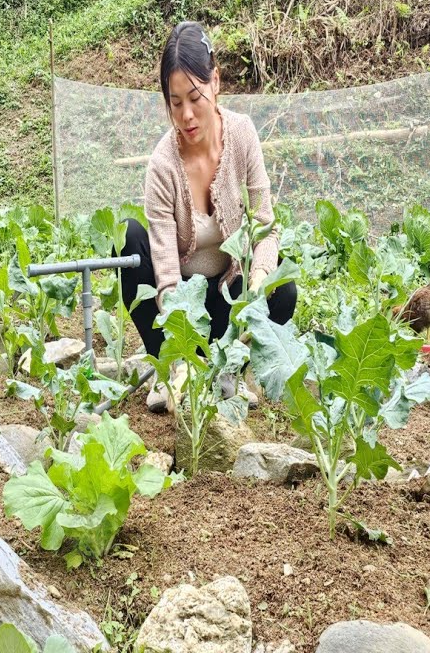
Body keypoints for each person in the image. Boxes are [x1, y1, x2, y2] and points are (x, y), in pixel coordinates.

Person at [118, 21, 297, 412]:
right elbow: (165, 268)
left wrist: (258, 280)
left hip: (227, 296)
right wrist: (180, 329)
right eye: (175, 102)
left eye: (195, 97)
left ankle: (231, 368)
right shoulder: (162, 165)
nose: (186, 115)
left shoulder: (243, 134)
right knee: (129, 239)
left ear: (216, 81)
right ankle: (172, 368)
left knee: (282, 285)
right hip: (184, 305)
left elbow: (265, 225)